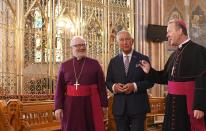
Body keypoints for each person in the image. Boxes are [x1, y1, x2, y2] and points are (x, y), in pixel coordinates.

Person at [139, 19, 206, 131]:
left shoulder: (198, 51)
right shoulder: (174, 54)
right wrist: (150, 71)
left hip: (188, 104)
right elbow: (165, 77)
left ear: (180, 31)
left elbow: (203, 79)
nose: (167, 35)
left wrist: (199, 106)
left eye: (169, 31)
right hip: (172, 103)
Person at [54, 36, 108, 131]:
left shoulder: (95, 64)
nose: (81, 48)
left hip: (89, 104)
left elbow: (102, 87)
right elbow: (59, 88)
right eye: (77, 45)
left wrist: (104, 105)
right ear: (72, 48)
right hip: (70, 106)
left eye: (83, 45)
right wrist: (58, 107)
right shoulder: (64, 65)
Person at [106, 30, 154, 131]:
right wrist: (114, 87)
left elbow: (150, 81)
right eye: (122, 40)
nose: (125, 42)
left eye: (127, 39)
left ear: (132, 41)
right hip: (120, 108)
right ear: (118, 43)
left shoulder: (143, 59)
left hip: (138, 107)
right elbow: (108, 81)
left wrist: (134, 86)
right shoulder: (113, 61)